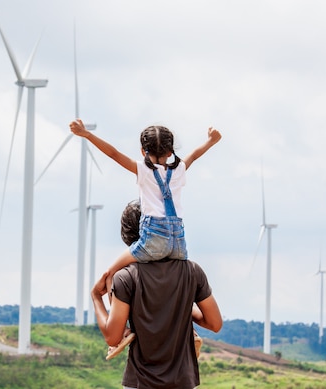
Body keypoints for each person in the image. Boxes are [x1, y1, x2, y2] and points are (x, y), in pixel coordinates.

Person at [70, 119, 221, 354]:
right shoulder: (179, 169)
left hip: (152, 241)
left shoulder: (142, 170)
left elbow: (112, 154)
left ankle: (124, 330)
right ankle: (190, 332)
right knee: (180, 286)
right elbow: (194, 155)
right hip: (178, 243)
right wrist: (211, 141)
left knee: (111, 274)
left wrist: (86, 135)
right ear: (171, 151)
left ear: (143, 151)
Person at [91, 200, 223, 389]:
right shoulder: (192, 272)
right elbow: (214, 323)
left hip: (139, 382)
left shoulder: (125, 278)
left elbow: (113, 337)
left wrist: (96, 296)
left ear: (128, 235)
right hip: (183, 382)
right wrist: (182, 308)